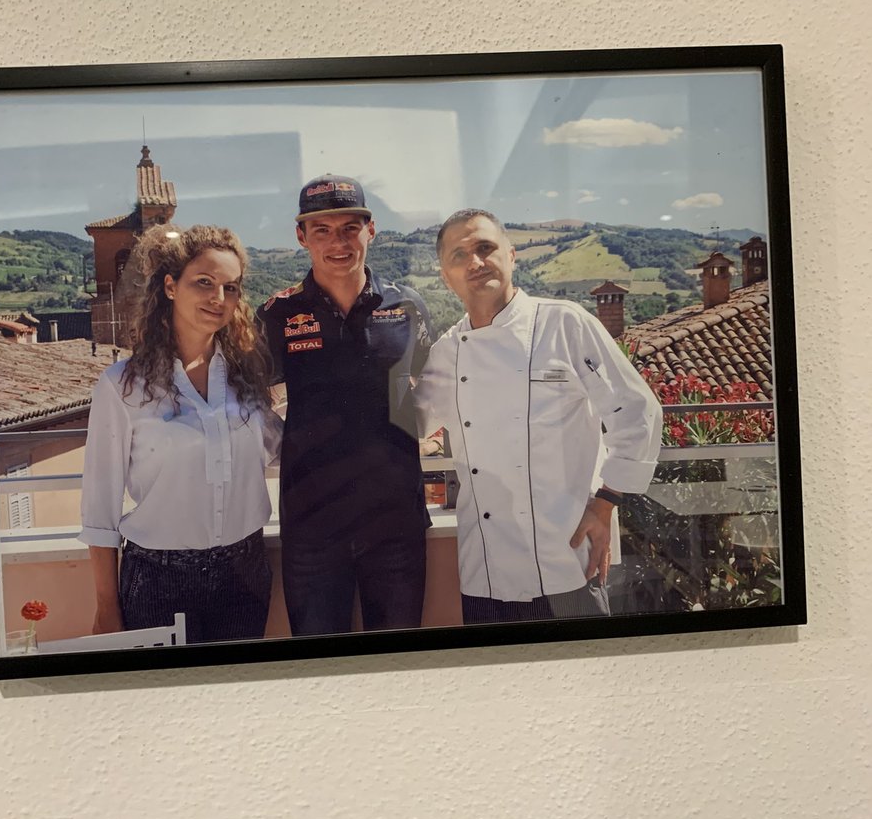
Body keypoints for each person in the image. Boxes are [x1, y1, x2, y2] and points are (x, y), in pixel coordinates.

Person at [413, 209, 663, 626]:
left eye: (485, 248)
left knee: (584, 680)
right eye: (459, 255)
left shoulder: (563, 323)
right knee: (501, 684)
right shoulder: (447, 352)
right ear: (445, 276)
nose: (475, 262)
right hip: (485, 572)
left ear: (511, 256)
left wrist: (606, 504)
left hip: (567, 559)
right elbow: (407, 423)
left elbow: (638, 411)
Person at [79, 223, 281, 644]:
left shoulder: (246, 376)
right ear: (170, 287)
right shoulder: (123, 386)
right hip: (158, 581)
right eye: (203, 282)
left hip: (245, 573)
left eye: (230, 287)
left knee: (237, 702)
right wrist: (105, 607)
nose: (218, 298)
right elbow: (100, 508)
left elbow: (278, 446)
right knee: (164, 707)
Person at [255, 177, 434, 636]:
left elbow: (434, 388)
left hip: (396, 524)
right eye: (322, 230)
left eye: (350, 228)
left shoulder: (407, 306)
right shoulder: (277, 315)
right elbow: (250, 403)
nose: (338, 242)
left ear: (370, 231)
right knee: (319, 666)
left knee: (398, 666)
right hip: (312, 528)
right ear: (301, 237)